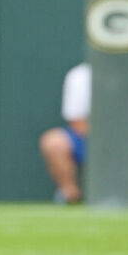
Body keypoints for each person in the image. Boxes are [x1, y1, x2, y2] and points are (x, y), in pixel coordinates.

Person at [39, 62, 90, 204]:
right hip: (87, 138)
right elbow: (78, 122)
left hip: (122, 141)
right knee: (53, 142)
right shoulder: (80, 75)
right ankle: (71, 196)